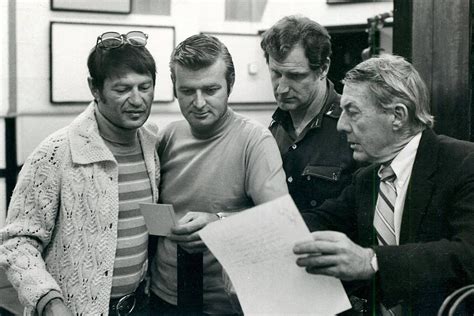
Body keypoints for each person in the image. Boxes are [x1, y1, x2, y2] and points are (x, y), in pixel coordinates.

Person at [294, 54, 474, 315]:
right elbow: (319, 220)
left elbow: (468, 253)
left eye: (352, 112)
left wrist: (372, 260)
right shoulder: (367, 179)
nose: (341, 126)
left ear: (397, 116)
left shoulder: (464, 163)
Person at [0, 31, 160, 315]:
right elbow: (17, 242)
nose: (136, 99)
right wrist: (48, 301)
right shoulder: (56, 152)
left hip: (140, 307)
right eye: (122, 89)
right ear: (95, 89)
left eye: (144, 87)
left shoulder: (152, 145)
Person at [149, 34, 288, 315]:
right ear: (175, 89)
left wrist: (219, 223)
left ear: (230, 86)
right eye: (188, 91)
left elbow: (281, 222)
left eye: (210, 90)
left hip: (223, 304)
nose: (199, 103)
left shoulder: (254, 141)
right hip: (164, 294)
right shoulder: (168, 136)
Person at [260, 15, 357, 211]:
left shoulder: (353, 125)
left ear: (323, 69)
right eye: (276, 73)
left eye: (295, 76)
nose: (281, 89)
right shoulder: (271, 129)